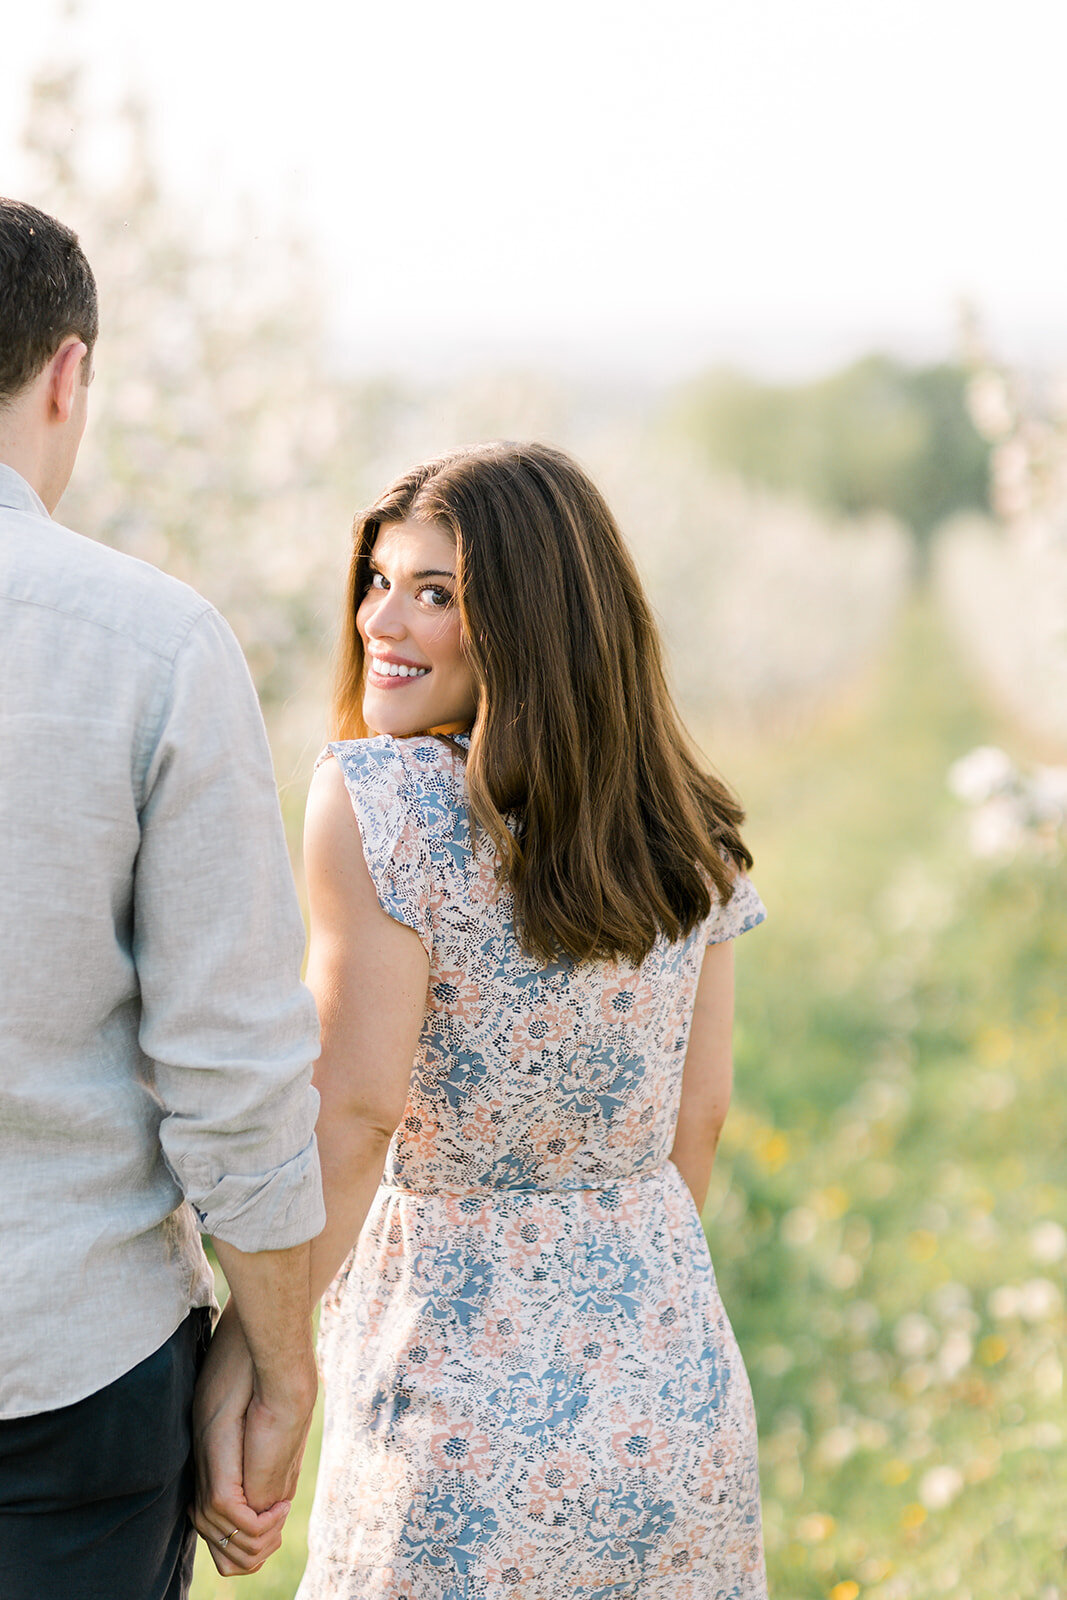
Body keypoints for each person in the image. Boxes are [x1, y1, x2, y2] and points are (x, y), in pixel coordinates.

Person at [293, 441, 768, 1597]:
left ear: (528, 621)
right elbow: (694, 1122)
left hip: (450, 1397)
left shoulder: (380, 801)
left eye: (436, 593)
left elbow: (351, 1118)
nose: (381, 621)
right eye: (380, 580)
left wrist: (257, 1357)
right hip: (670, 1382)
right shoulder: (681, 823)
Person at [0, 197, 325, 1599]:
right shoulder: (151, 645)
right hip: (64, 1361)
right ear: (70, 372)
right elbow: (230, 1070)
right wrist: (277, 1361)